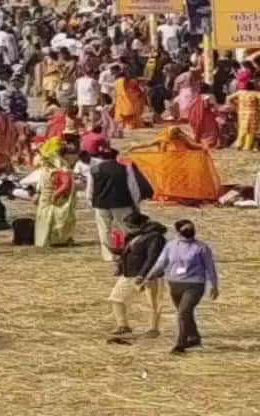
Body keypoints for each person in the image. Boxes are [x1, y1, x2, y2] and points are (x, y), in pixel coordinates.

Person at [144, 219, 219, 354]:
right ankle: (194, 337)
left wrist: (214, 285)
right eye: (186, 229)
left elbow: (210, 267)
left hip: (195, 284)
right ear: (178, 231)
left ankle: (181, 343)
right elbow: (161, 263)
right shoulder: (171, 246)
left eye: (191, 228)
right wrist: (149, 276)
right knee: (185, 313)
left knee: (183, 312)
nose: (189, 231)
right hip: (175, 284)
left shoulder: (201, 247)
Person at [107, 212, 166, 338]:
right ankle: (123, 325)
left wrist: (142, 275)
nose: (128, 227)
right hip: (129, 272)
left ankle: (153, 328)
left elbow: (152, 257)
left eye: (130, 225)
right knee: (116, 298)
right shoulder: (135, 235)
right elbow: (128, 251)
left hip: (149, 274)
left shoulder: (155, 237)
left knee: (153, 302)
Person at [87, 148, 141, 262]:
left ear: (101, 157)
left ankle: (108, 255)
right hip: (122, 203)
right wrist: (136, 203)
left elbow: (90, 188)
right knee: (126, 228)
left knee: (104, 230)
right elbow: (133, 187)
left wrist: (91, 202)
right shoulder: (125, 168)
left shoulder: (94, 169)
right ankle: (128, 251)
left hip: (101, 204)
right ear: (116, 157)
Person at [33, 140, 78, 248]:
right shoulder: (46, 168)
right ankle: (44, 240)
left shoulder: (60, 168)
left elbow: (66, 184)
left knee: (56, 218)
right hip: (45, 196)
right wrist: (38, 194)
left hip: (53, 197)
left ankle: (57, 239)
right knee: (44, 218)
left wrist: (55, 195)